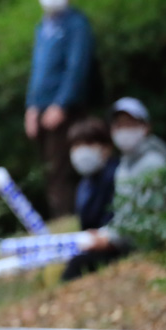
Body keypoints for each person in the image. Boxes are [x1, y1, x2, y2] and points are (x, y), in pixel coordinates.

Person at [63, 99, 166, 280]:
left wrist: (110, 239)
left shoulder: (152, 163)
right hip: (125, 241)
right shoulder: (125, 165)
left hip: (139, 247)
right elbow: (124, 214)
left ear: (145, 126)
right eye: (119, 125)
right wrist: (106, 233)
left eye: (130, 124)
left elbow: (147, 217)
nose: (124, 130)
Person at [26, 0, 97, 218]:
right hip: (42, 109)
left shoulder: (76, 24)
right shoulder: (42, 26)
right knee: (50, 170)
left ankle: (69, 219)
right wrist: (31, 107)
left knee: (64, 169)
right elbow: (37, 71)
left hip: (65, 111)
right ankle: (59, 218)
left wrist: (62, 104)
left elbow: (76, 68)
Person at [59, 117, 118, 280]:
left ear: (106, 147)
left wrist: (107, 237)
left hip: (113, 246)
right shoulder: (85, 184)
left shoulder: (117, 175)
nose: (81, 152)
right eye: (76, 146)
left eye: (89, 144)